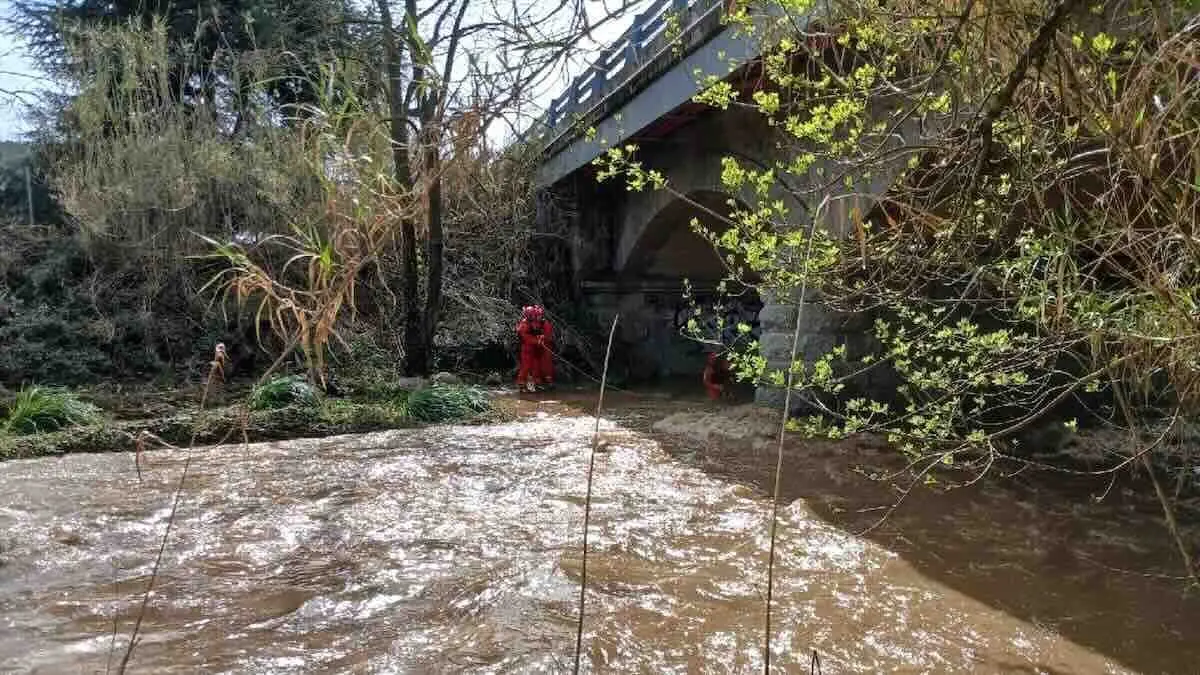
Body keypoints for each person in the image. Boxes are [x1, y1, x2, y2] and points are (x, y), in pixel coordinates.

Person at [516, 305, 555, 392]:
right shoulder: (524, 324)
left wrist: (543, 338)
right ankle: (522, 384)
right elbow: (525, 337)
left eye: (538, 316)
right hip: (528, 347)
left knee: (543, 364)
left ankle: (541, 382)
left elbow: (548, 334)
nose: (537, 317)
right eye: (535, 316)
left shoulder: (543, 323)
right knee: (526, 366)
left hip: (541, 347)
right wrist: (537, 340)